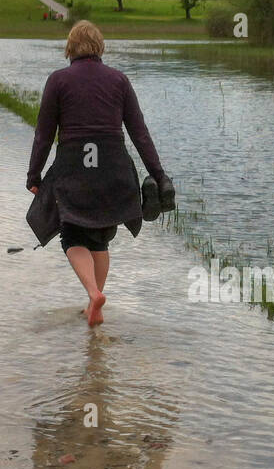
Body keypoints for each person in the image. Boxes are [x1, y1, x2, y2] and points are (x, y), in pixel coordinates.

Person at [27, 20, 170, 327]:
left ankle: (93, 294)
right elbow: (139, 133)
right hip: (112, 166)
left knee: (72, 234)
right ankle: (96, 302)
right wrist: (159, 175)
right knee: (101, 237)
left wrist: (34, 175)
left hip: (74, 164)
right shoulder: (119, 80)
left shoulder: (58, 80)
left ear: (70, 48)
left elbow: (43, 134)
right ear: (100, 47)